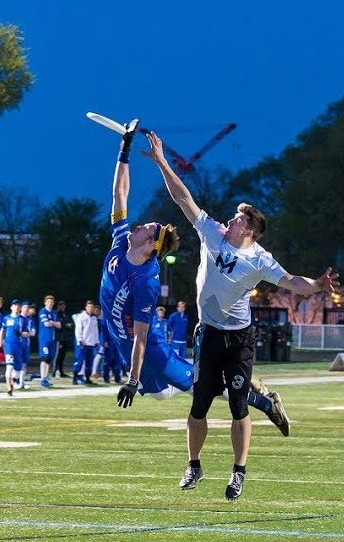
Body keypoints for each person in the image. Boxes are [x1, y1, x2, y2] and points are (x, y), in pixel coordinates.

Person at [145, 127, 339, 500]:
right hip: (209, 332)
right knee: (199, 403)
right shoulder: (213, 234)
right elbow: (183, 200)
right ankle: (194, 465)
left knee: (236, 405)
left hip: (239, 337)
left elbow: (291, 281)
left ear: (249, 229)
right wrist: (163, 163)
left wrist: (317, 285)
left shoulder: (259, 259)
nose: (229, 219)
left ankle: (238, 472)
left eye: (237, 218)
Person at [99, 119, 291, 441]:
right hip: (128, 350)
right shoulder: (121, 241)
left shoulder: (146, 280)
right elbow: (119, 194)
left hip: (154, 357)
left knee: (209, 389)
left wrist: (132, 380)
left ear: (151, 247)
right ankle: (247, 389)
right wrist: (125, 149)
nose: (140, 225)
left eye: (147, 228)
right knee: (185, 391)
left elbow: (142, 339)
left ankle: (266, 402)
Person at [0, 299, 30, 396]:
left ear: (20, 308)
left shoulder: (23, 320)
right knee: (9, 366)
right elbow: (2, 331)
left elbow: (27, 333)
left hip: (19, 346)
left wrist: (21, 334)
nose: (16, 307)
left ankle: (13, 381)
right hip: (9, 345)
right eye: (14, 305)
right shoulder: (6, 318)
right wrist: (0, 343)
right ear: (11, 307)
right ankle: (8, 386)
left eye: (18, 305)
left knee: (17, 369)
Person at [72, 300, 99, 385]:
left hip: (91, 343)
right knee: (79, 361)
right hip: (83, 343)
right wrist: (79, 339)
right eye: (89, 307)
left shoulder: (94, 318)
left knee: (89, 362)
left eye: (92, 307)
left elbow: (96, 331)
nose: (90, 308)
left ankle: (87, 378)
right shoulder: (81, 317)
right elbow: (78, 329)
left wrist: (96, 341)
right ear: (86, 307)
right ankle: (75, 377)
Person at [37, 295, 61, 387]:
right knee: (44, 358)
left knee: (49, 359)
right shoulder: (42, 311)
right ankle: (43, 378)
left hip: (52, 338)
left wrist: (53, 323)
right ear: (45, 302)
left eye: (51, 302)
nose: (50, 303)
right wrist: (54, 323)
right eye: (48, 302)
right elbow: (46, 324)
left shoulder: (54, 313)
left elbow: (59, 325)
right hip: (44, 338)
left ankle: (46, 377)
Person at [53, 299, 73, 378]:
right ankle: (55, 371)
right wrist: (65, 324)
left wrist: (67, 324)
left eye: (63, 305)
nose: (62, 306)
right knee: (58, 355)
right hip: (59, 338)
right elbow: (59, 323)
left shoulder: (65, 314)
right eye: (60, 305)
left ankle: (61, 371)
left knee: (62, 355)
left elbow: (70, 324)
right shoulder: (57, 314)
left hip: (65, 337)